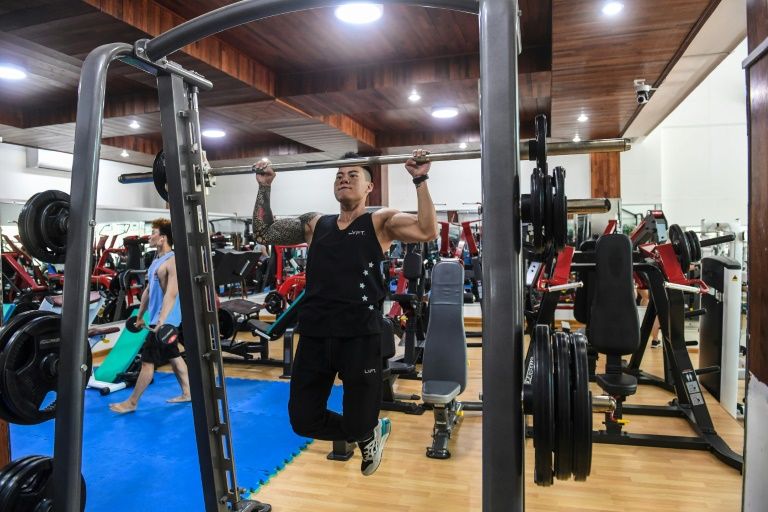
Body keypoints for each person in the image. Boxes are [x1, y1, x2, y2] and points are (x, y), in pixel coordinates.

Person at [252, 150, 437, 476]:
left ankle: (365, 429)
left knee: (357, 421)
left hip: (360, 337)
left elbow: (426, 231)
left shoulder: (381, 221)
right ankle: (367, 433)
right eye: (339, 175)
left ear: (369, 187)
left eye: (353, 175)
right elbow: (264, 232)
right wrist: (264, 185)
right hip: (315, 336)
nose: (344, 179)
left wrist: (420, 179)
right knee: (303, 421)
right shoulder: (314, 224)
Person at [110, 218, 191, 413]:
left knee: (147, 362)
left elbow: (172, 293)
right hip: (157, 319)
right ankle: (188, 393)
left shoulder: (173, 261)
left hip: (166, 320)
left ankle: (132, 403)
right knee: (174, 356)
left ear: (163, 238)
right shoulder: (156, 261)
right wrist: (140, 316)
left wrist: (162, 321)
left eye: (153, 232)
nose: (150, 236)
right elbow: (147, 291)